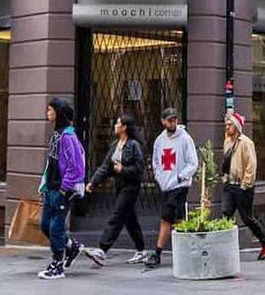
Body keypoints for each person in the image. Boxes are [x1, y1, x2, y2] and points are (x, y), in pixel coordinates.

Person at [83, 114, 146, 267]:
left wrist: (123, 169)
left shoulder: (133, 146)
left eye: (117, 123)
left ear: (124, 127)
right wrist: (93, 182)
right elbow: (105, 167)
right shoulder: (114, 145)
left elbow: (139, 169)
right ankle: (141, 251)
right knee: (130, 220)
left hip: (131, 186)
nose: (115, 126)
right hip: (120, 185)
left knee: (117, 216)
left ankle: (102, 250)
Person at [37, 97, 86, 279]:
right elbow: (52, 163)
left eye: (50, 110)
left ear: (58, 113)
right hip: (51, 188)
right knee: (44, 225)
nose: (47, 113)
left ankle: (57, 265)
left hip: (60, 190)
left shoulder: (68, 136)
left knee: (56, 227)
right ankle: (71, 246)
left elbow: (76, 167)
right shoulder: (57, 134)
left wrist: (64, 189)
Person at [146, 106, 198, 269]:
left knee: (166, 219)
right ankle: (190, 250)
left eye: (174, 119)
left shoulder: (184, 139)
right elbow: (155, 161)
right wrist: (159, 177)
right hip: (166, 185)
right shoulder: (160, 140)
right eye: (169, 120)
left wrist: (180, 177)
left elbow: (193, 163)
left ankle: (158, 253)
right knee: (178, 219)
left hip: (179, 186)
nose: (172, 122)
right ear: (163, 121)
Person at [221, 111, 265, 261]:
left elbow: (251, 165)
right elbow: (226, 162)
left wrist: (245, 184)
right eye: (226, 124)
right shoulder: (227, 142)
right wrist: (225, 177)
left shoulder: (246, 143)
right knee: (225, 216)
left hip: (242, 187)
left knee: (247, 218)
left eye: (230, 125)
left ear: (237, 126)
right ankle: (224, 249)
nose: (227, 127)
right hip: (229, 185)